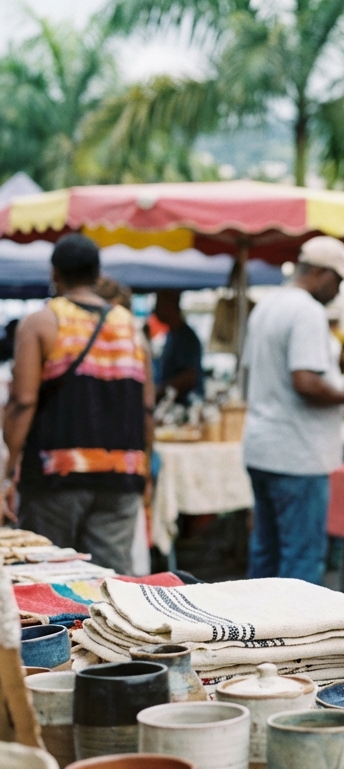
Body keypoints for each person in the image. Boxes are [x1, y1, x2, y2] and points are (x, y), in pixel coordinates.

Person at [2, 235, 154, 573]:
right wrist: (145, 470)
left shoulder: (42, 322)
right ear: (98, 275)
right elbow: (147, 408)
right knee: (109, 585)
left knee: (49, 578)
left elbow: (22, 402)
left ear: (54, 274)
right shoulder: (131, 327)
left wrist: (8, 466)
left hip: (56, 473)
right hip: (121, 476)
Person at [241, 236, 344, 584]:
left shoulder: (267, 306)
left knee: (266, 554)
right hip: (296, 454)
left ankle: (253, 634)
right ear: (322, 273)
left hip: (263, 447)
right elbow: (305, 381)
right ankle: (292, 637)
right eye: (339, 281)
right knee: (301, 560)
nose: (338, 290)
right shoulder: (307, 311)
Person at [153, 290, 205, 404]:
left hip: (185, 406)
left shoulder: (186, 337)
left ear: (170, 303)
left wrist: (159, 391)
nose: (155, 309)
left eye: (158, 303)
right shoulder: (171, 334)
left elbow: (189, 376)